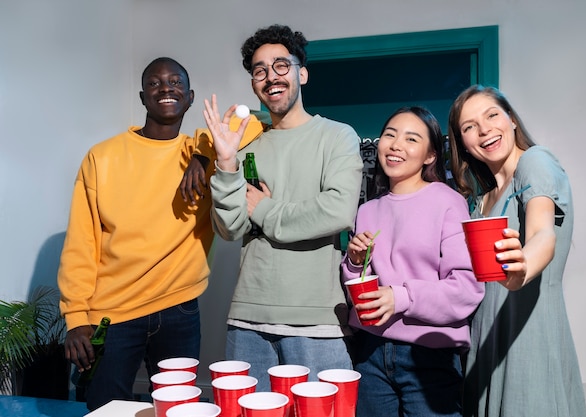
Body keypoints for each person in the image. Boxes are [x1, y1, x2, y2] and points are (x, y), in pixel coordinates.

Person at [190, 24, 363, 391]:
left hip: (317, 322)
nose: (271, 77)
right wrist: (225, 163)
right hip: (247, 318)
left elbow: (337, 210)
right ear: (254, 83)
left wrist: (266, 210)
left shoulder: (337, 136)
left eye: (281, 66)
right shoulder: (246, 146)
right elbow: (230, 228)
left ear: (302, 73)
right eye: (259, 70)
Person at [57, 57, 233, 411]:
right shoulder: (102, 157)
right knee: (104, 407)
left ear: (190, 95)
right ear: (142, 96)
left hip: (178, 309)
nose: (166, 88)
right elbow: (81, 242)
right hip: (112, 313)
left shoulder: (201, 152)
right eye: (154, 83)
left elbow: (253, 121)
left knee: (178, 409)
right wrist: (75, 318)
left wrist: (202, 153)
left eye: (175, 82)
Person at [447, 85, 586, 417]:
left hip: (528, 336)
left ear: (511, 120)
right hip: (485, 340)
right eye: (469, 127)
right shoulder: (481, 200)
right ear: (462, 143)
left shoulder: (534, 162)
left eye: (492, 115)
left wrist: (522, 265)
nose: (484, 130)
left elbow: (542, 233)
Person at [342, 106, 484, 416]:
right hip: (370, 350)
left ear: (430, 155)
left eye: (411, 139)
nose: (395, 145)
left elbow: (466, 287)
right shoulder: (368, 210)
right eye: (390, 135)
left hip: (429, 353)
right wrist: (354, 261)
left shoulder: (448, 202)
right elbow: (357, 283)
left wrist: (401, 297)